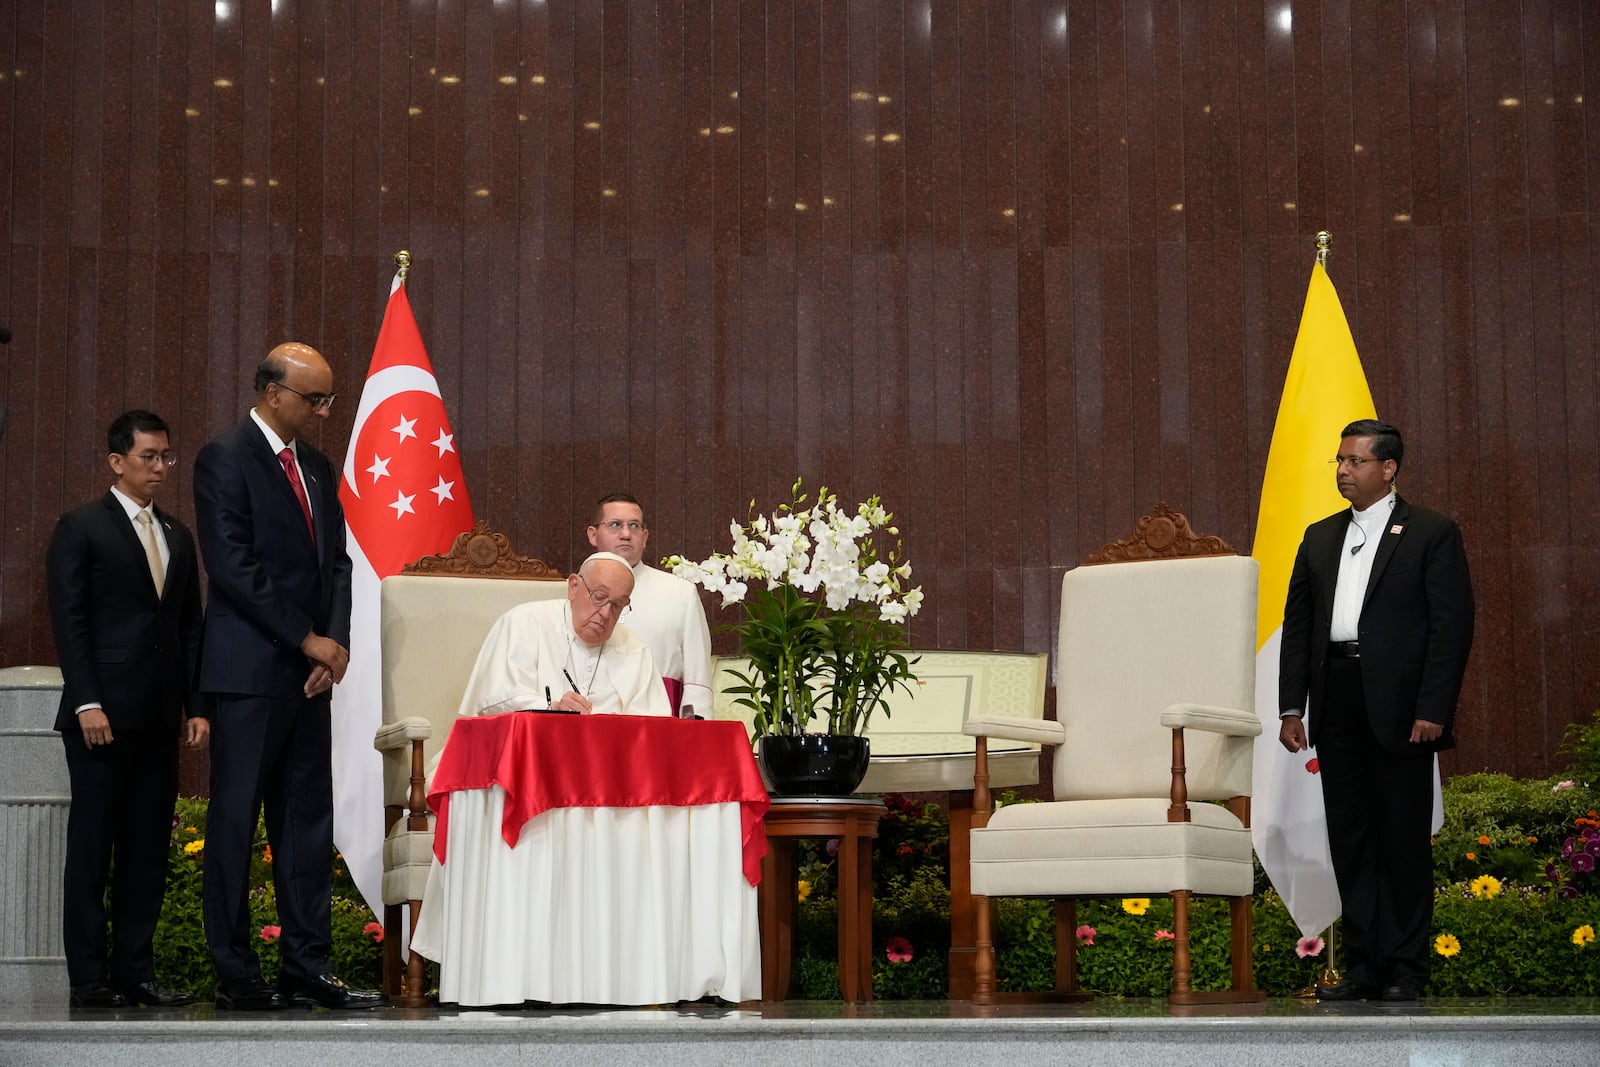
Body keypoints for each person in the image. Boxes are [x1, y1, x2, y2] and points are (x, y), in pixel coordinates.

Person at [192, 342, 379, 1010]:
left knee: (305, 823)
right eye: (315, 398)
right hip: (250, 670)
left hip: (309, 676)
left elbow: (338, 564)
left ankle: (307, 964)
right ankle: (236, 969)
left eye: (330, 398)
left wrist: (335, 649)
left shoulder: (320, 468)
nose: (325, 411)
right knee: (237, 820)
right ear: (273, 392)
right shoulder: (224, 458)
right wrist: (307, 638)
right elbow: (233, 567)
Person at [1278, 418, 1474, 1002]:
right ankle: (1362, 966)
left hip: (1403, 708)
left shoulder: (1431, 532)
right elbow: (1299, 629)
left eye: (1355, 461)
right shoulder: (1318, 536)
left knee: (1403, 841)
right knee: (1352, 837)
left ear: (1388, 469)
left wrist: (1434, 706)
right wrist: (1292, 707)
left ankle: (1406, 970)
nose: (1343, 470)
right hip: (1335, 698)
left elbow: (1451, 627)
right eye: (1339, 461)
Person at [46, 410, 207, 1009]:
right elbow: (71, 621)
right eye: (148, 456)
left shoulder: (178, 535)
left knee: (146, 851)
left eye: (167, 456)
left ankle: (135, 974)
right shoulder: (81, 526)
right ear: (117, 461)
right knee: (93, 847)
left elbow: (191, 626)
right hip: (101, 716)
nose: (160, 467)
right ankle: (90, 979)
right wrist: (87, 699)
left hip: (162, 715)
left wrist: (197, 705)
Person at [455, 552, 671, 719]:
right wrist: (553, 710)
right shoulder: (524, 622)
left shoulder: (634, 648)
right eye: (599, 597)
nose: (606, 613)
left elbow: (653, 724)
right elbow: (496, 701)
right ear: (573, 587)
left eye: (617, 605)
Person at [585, 493, 713, 717]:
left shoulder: (680, 593)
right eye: (615, 525)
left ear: (645, 537)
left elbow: (697, 682)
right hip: (589, 727)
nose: (626, 534)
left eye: (634, 526)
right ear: (593, 535)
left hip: (658, 725)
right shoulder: (574, 592)